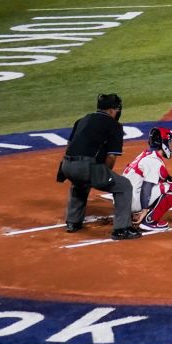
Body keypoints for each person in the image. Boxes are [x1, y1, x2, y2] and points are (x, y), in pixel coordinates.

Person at [57, 93, 139, 239]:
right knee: (124, 186)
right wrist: (103, 175)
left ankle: (73, 222)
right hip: (86, 167)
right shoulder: (114, 126)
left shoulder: (82, 120)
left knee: (80, 182)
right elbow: (111, 156)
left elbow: (70, 145)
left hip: (66, 165)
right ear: (112, 110)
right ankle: (121, 229)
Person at [124, 126, 172, 233]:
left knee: (165, 183)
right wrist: (144, 210)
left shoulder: (146, 154)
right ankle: (149, 222)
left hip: (122, 201)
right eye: (169, 142)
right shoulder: (153, 160)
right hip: (131, 202)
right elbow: (146, 187)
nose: (171, 146)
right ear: (163, 143)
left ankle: (133, 214)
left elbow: (163, 175)